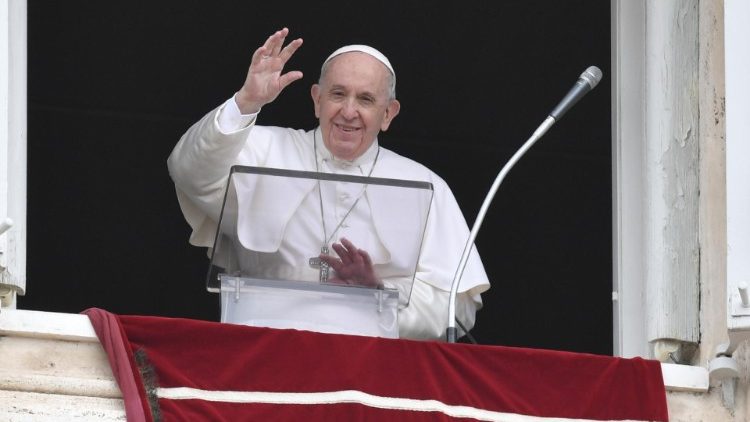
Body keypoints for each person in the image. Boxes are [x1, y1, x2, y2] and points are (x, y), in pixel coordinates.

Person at [167, 28, 489, 340]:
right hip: (264, 347)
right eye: (338, 94)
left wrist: (377, 293)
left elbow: (457, 308)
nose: (348, 112)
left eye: (365, 99)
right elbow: (188, 171)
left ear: (388, 114)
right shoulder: (262, 150)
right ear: (317, 99)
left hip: (372, 367)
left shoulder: (425, 186)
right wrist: (245, 103)